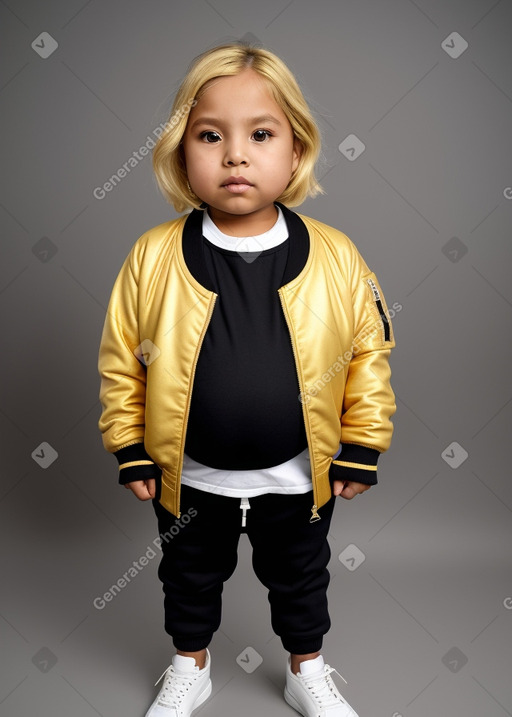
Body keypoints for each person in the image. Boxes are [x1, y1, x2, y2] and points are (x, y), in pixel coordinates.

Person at [97, 41, 396, 717]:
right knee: (189, 574)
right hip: (189, 467)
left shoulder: (335, 255)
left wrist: (363, 442)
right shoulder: (153, 256)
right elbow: (121, 357)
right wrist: (130, 445)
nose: (236, 154)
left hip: (298, 469)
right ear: (181, 154)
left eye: (261, 134)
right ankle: (189, 667)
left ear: (296, 151)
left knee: (301, 576)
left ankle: (306, 670)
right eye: (210, 135)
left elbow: (367, 353)